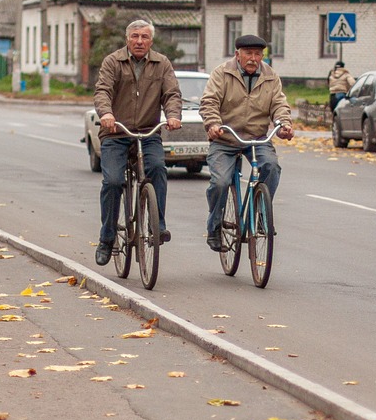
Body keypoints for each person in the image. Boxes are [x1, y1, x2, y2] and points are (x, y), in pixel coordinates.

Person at [92, 20, 183, 267]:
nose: (140, 41)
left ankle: (158, 224)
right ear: (127, 39)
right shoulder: (113, 61)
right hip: (116, 133)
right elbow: (102, 91)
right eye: (135, 36)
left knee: (157, 168)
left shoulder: (161, 63)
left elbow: (172, 93)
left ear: (151, 41)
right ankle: (107, 238)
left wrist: (173, 115)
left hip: (147, 131)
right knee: (112, 182)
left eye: (144, 37)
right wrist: (106, 114)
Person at [199, 34, 294, 251]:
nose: (253, 58)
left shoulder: (270, 76)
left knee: (271, 166)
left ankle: (260, 213)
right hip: (225, 137)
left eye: (257, 54)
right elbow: (209, 101)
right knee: (221, 182)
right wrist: (213, 124)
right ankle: (214, 225)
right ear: (237, 54)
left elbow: (279, 103)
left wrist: (283, 124)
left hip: (257, 138)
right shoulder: (222, 73)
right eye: (248, 53)